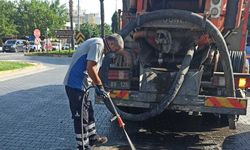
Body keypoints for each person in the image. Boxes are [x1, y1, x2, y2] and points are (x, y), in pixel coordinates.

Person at [64, 33, 124, 150]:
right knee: (81, 118)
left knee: (89, 112)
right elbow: (90, 68)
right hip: (75, 85)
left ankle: (93, 137)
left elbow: (94, 70)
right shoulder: (98, 44)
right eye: (115, 49)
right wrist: (100, 86)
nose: (114, 52)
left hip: (83, 86)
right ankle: (83, 146)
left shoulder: (99, 47)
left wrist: (98, 86)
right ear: (111, 43)